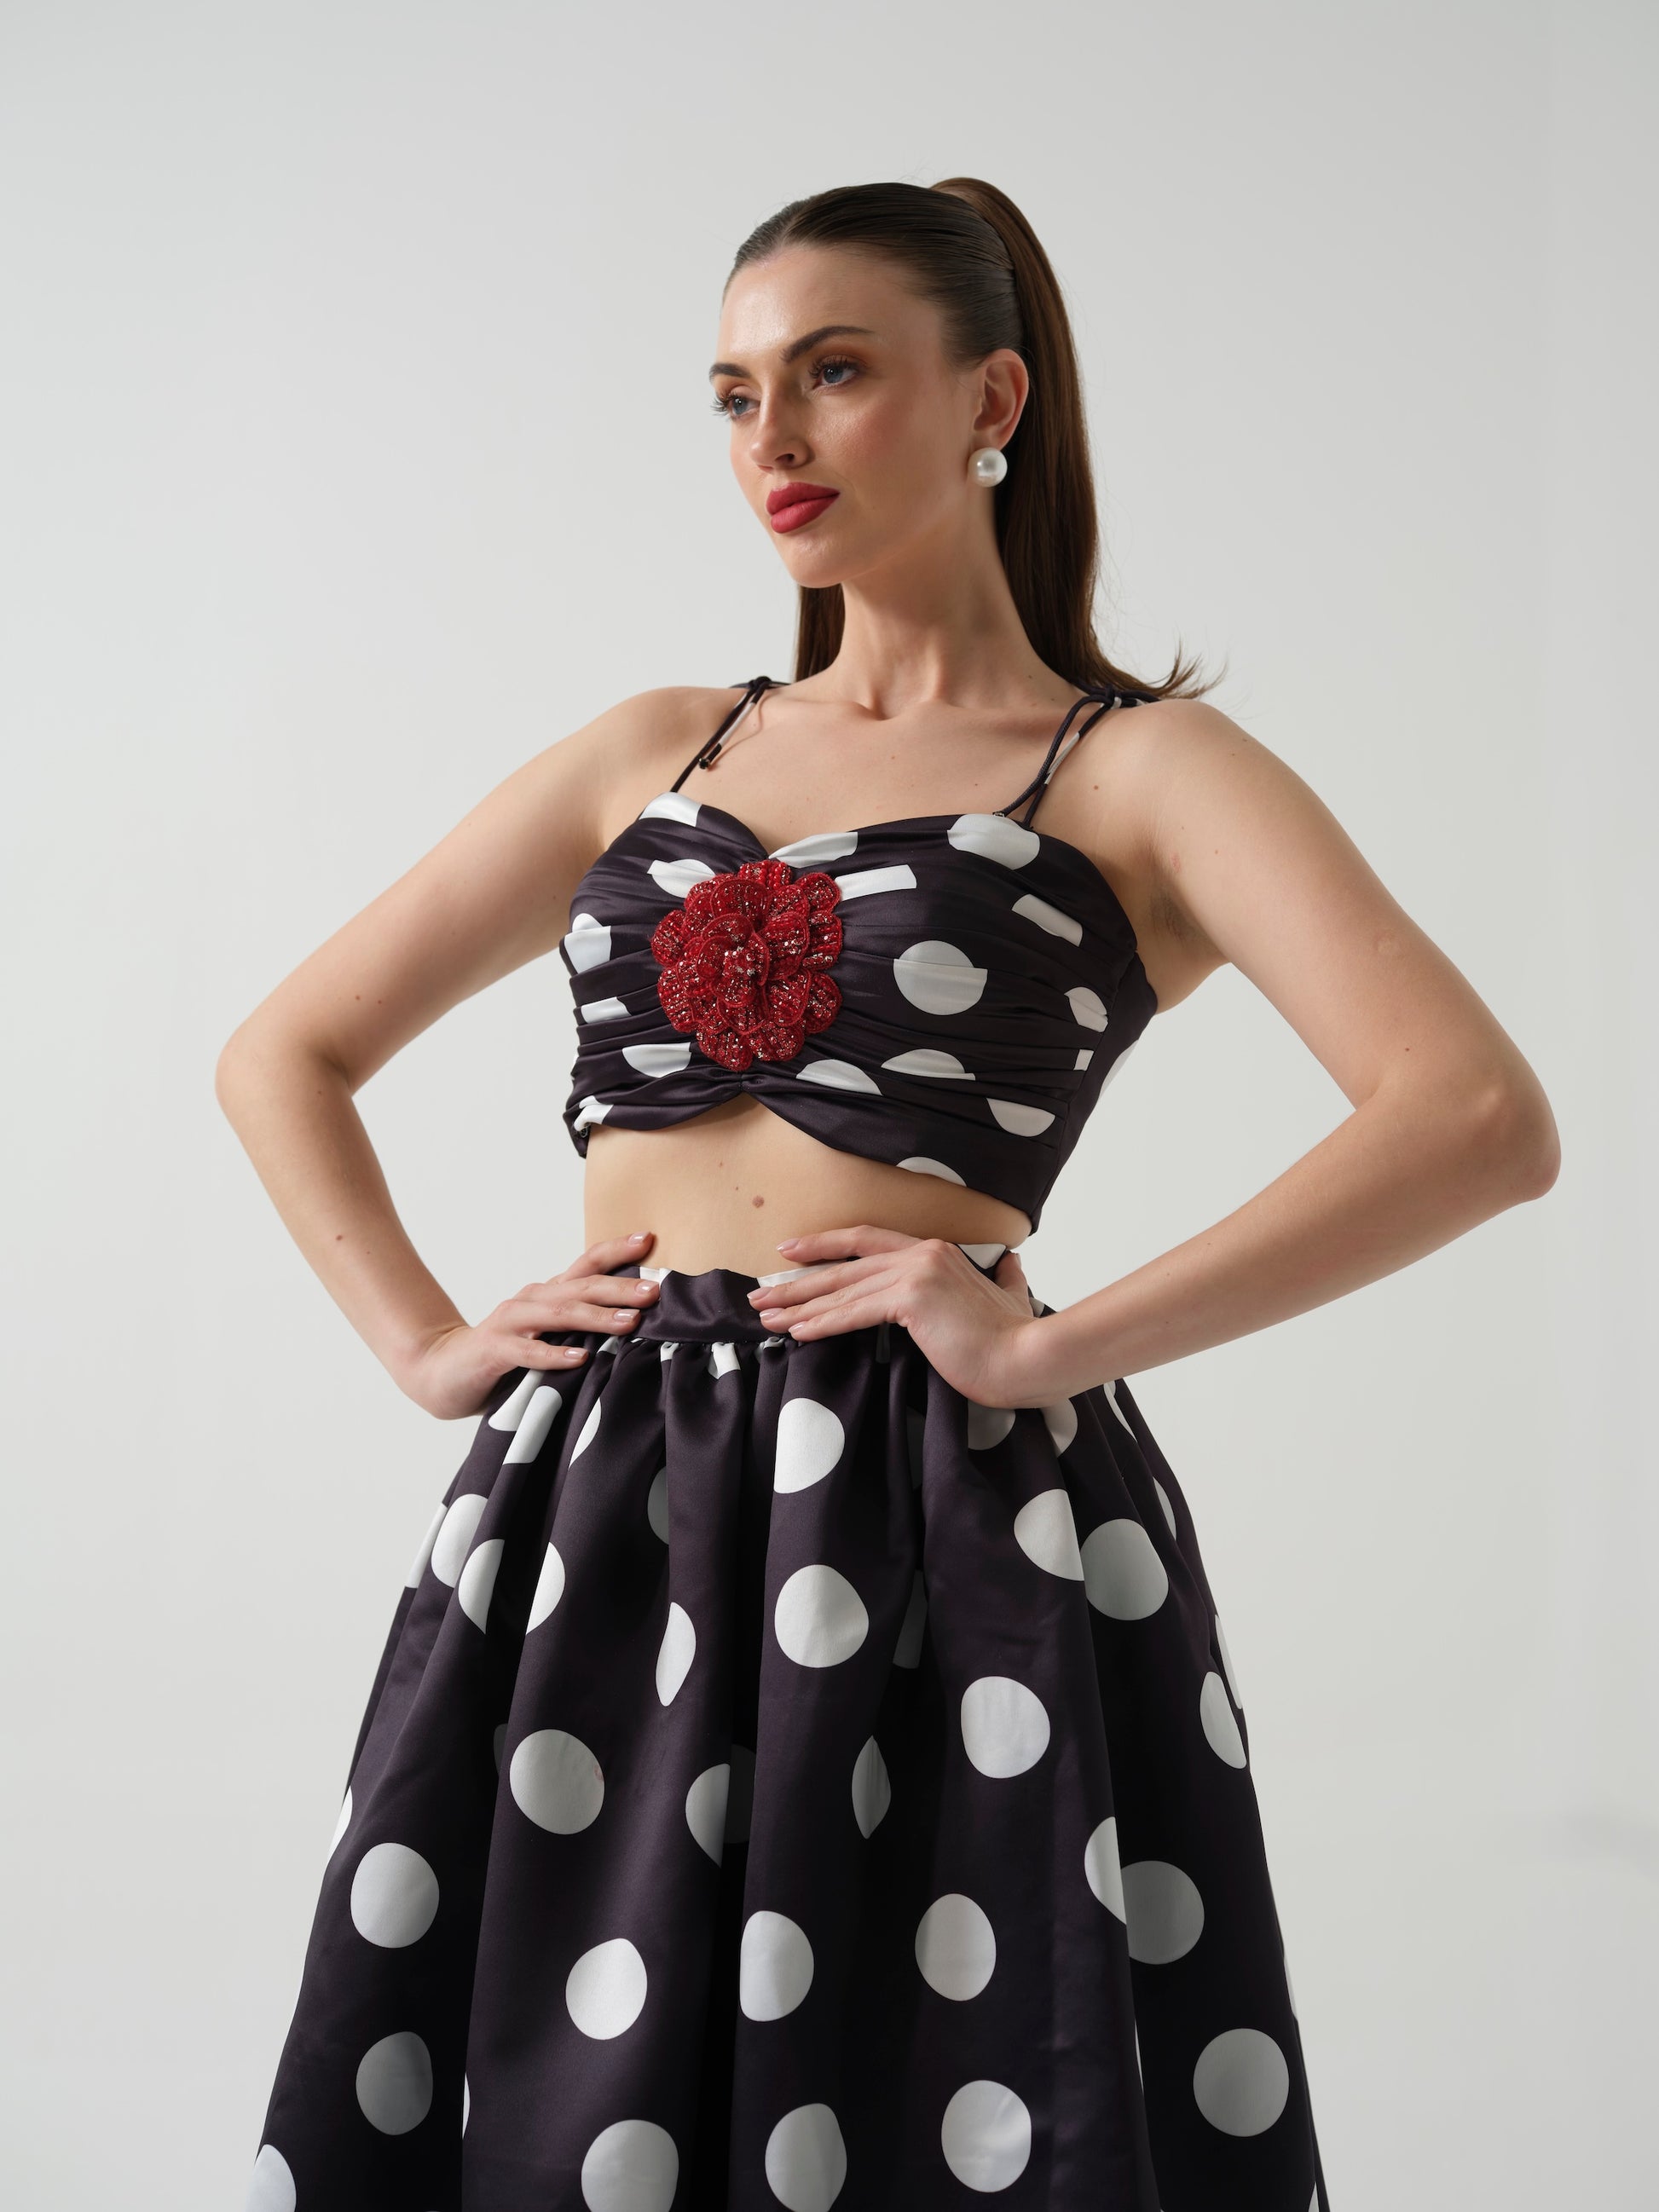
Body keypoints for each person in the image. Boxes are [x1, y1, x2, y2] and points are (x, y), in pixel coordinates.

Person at [219, 178, 1558, 2212]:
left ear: (989, 399)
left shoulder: (1135, 771)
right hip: (604, 1494)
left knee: (947, 2066)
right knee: (571, 2081)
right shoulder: (652, 746)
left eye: (833, 373)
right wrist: (422, 1342)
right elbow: (284, 1049)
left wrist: (1042, 1343)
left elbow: (1470, 1113)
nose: (770, 437)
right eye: (734, 390)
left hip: (945, 1498)